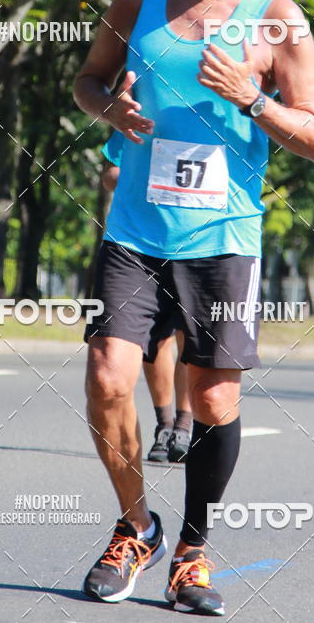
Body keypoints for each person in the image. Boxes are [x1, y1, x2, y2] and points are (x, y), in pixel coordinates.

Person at [73, 0, 314, 615]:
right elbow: (86, 83)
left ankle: (191, 554)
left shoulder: (279, 21)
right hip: (135, 229)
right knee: (106, 377)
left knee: (213, 398)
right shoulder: (138, 0)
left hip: (223, 237)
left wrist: (253, 99)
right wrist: (110, 108)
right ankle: (135, 527)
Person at [101, 130, 192, 464]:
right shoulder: (136, 115)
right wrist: (147, 182)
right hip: (144, 246)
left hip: (197, 244)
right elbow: (110, 172)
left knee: (188, 336)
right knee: (155, 343)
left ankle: (184, 423)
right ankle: (164, 423)